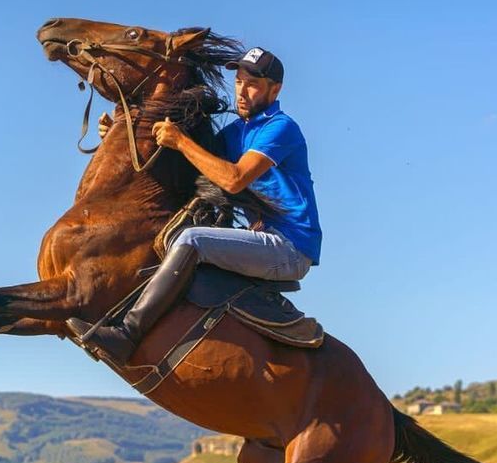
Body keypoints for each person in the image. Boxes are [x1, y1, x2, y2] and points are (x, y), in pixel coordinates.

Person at [77, 46, 322, 367]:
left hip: (288, 249)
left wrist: (180, 140)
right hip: (264, 242)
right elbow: (195, 165)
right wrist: (119, 134)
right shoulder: (236, 133)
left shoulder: (280, 127)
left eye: (253, 85)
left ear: (275, 90)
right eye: (239, 81)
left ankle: (127, 335)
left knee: (191, 240)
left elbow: (233, 179)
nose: (242, 92)